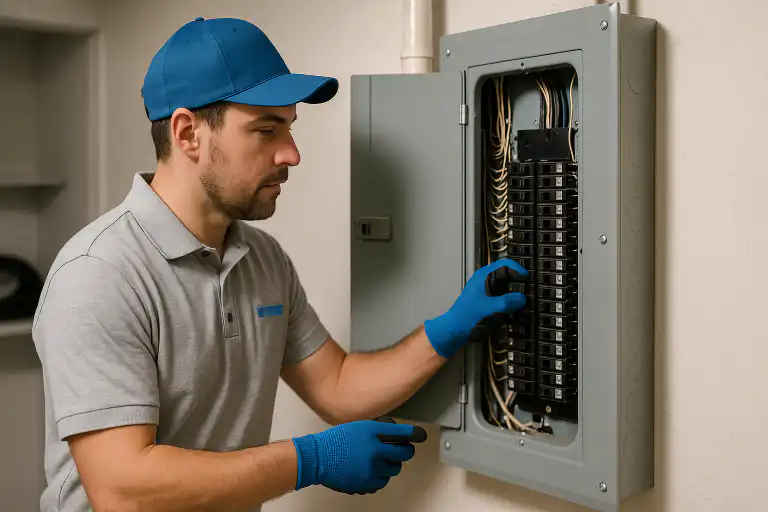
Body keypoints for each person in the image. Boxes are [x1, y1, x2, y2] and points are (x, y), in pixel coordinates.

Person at [31, 16, 527, 512]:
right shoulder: (99, 274)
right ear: (187, 134)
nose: (291, 154)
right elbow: (122, 490)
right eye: (265, 130)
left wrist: (449, 329)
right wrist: (310, 460)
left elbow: (337, 387)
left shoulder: (262, 259)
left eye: (288, 128)